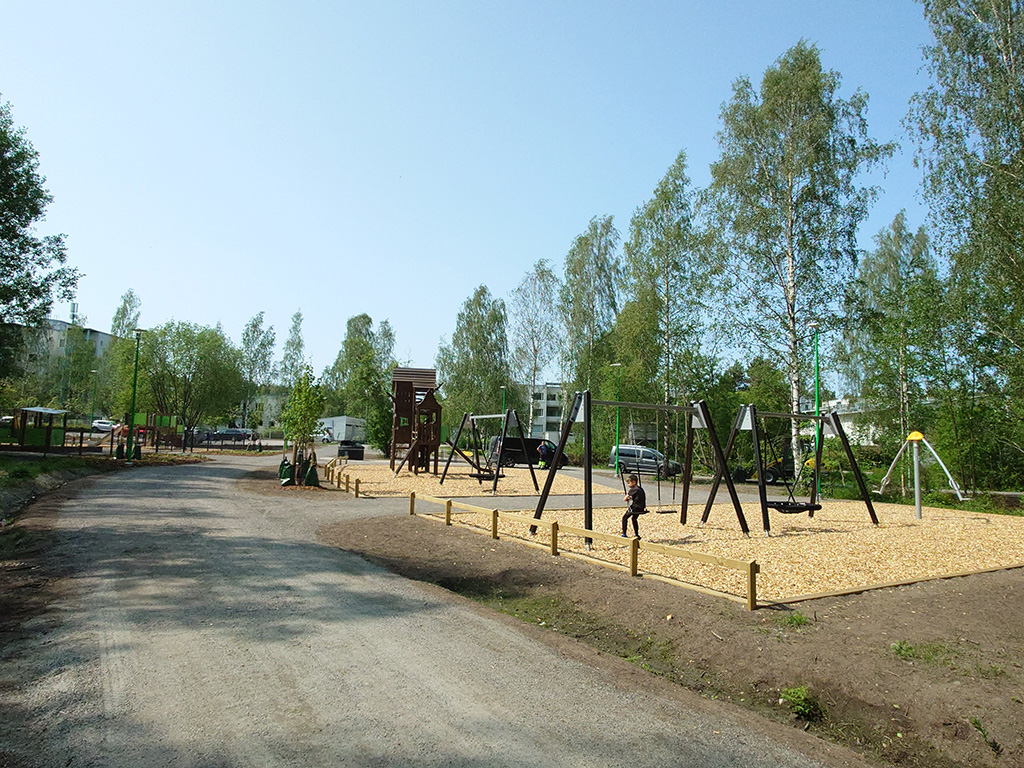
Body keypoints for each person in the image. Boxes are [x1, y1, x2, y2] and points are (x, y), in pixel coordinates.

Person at [622, 474, 647, 538]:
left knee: (624, 518)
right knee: (634, 519)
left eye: (628, 483)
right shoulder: (640, 488)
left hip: (635, 508)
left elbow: (624, 499)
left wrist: (627, 496)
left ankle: (624, 533)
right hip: (641, 508)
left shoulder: (633, 489)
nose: (628, 485)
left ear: (634, 482)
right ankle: (636, 534)